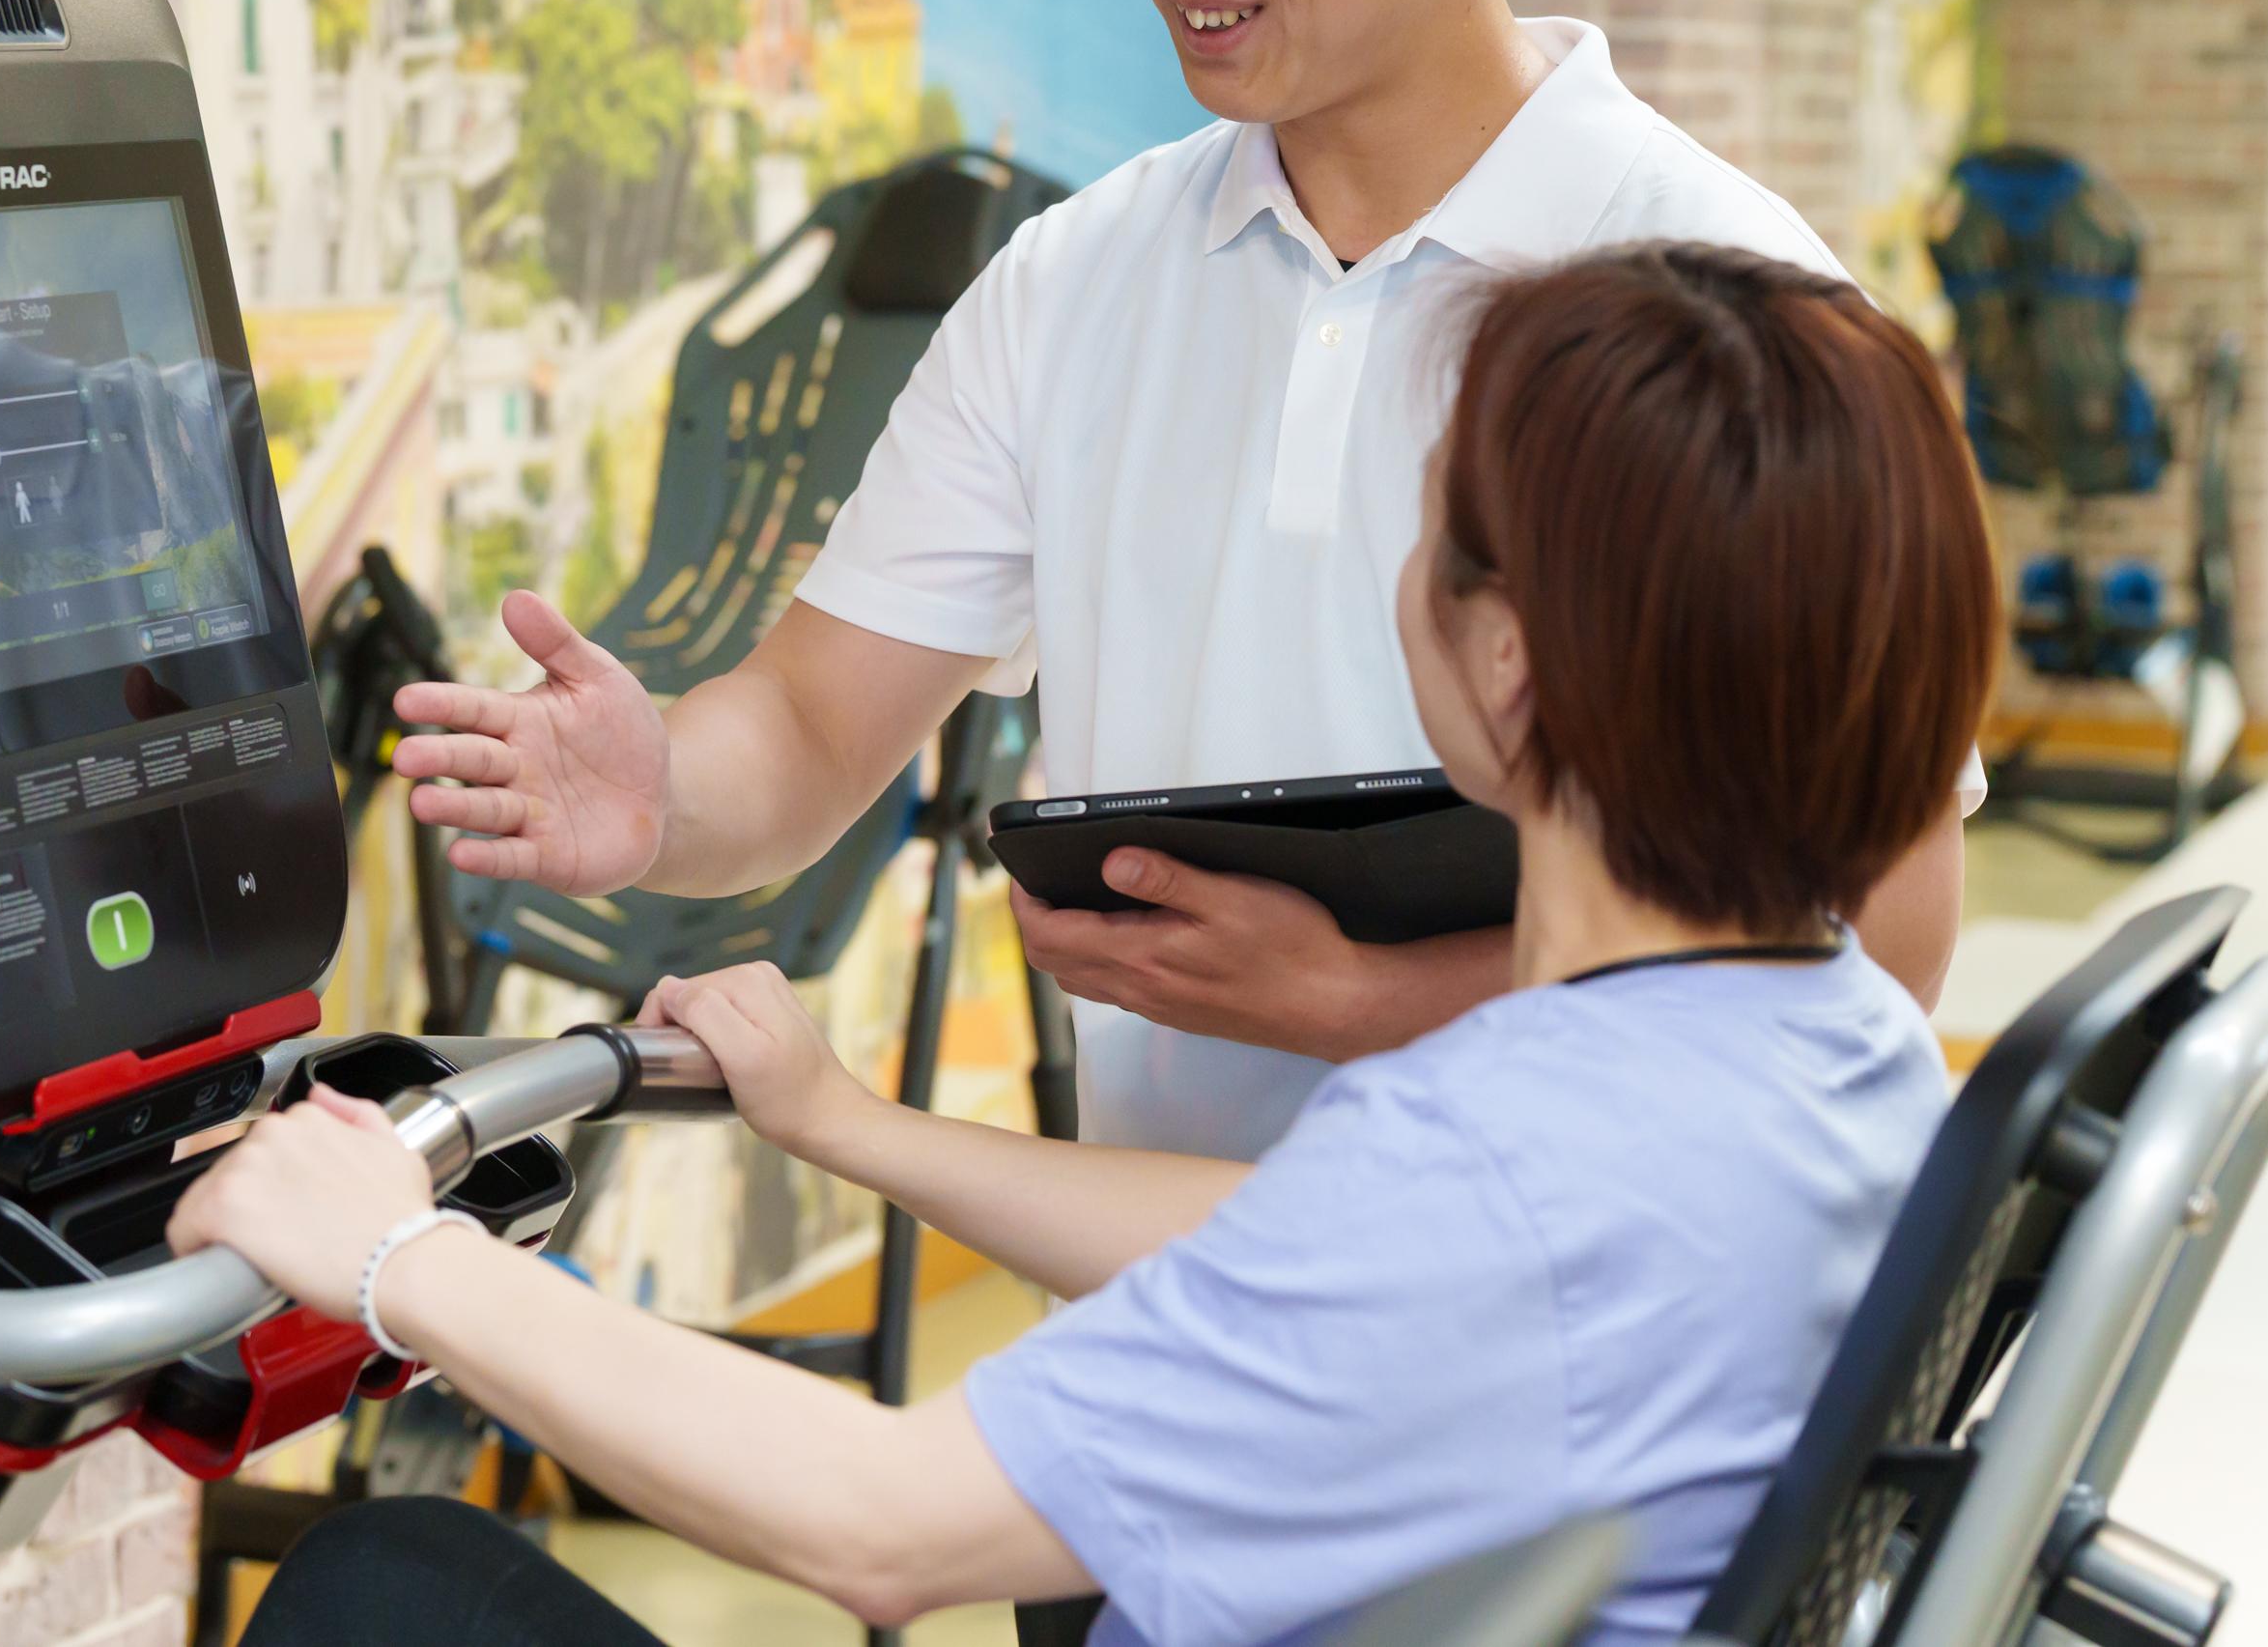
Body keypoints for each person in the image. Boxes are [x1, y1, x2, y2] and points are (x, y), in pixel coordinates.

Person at [385, 0, 1979, 1168]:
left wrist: (1370, 998)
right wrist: (656, 790)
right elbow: (805, 729)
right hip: (1159, 1309)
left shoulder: (1728, 306)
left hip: (1597, 1302)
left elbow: (1884, 941)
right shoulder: (1075, 280)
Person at [178, 243, 1999, 1646]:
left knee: (388, 1592)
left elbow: (882, 1524)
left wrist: (403, 1255)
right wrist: (852, 1125)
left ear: (1508, 662)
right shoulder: (1828, 1033)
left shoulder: (1488, 1162)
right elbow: (1298, 1254)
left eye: (1435, 528)